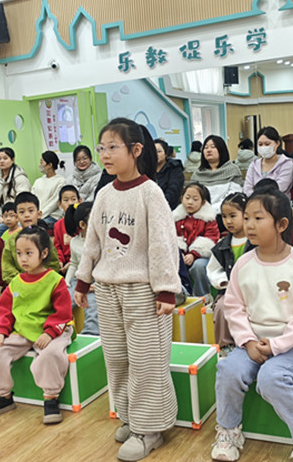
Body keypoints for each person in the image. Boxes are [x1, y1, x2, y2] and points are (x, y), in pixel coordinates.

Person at [73, 118, 182, 461]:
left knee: (147, 361)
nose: (104, 154)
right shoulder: (104, 194)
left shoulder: (151, 193)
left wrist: (166, 290)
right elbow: (93, 242)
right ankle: (131, 418)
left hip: (143, 292)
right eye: (101, 147)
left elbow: (164, 245)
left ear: (136, 150)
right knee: (117, 359)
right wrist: (83, 279)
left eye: (112, 147)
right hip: (107, 290)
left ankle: (151, 428)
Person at [212, 189, 293, 462]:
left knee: (271, 378)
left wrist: (277, 345)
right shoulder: (244, 263)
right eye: (247, 218)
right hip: (252, 342)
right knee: (228, 368)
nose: (249, 225)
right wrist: (248, 342)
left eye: (258, 218)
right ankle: (229, 430)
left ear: (281, 224)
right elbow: (234, 307)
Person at [0, 227, 74, 424]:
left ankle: (51, 398)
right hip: (23, 329)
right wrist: (2, 332)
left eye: (29, 253)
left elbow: (63, 313)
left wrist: (50, 332)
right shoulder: (15, 283)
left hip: (55, 329)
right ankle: (3, 397)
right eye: (19, 253)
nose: (23, 259)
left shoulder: (56, 281)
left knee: (50, 355)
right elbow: (6, 311)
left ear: (44, 253)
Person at [205, 192, 249, 351]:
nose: (228, 221)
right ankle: (225, 345)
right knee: (223, 306)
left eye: (233, 215)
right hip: (230, 291)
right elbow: (213, 270)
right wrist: (224, 281)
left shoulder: (256, 241)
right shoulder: (222, 245)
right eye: (224, 216)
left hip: (254, 290)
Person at [1, 192, 61, 285]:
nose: (26, 215)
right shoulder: (12, 239)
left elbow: (53, 263)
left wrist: (41, 280)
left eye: (31, 211)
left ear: (39, 214)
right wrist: (22, 281)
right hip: (19, 285)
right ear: (16, 217)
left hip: (43, 285)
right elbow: (7, 267)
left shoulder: (44, 237)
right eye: (22, 212)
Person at [174, 183, 219, 300]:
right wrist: (180, 253)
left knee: (198, 267)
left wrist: (194, 254)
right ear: (181, 198)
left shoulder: (209, 218)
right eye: (187, 198)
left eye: (195, 199)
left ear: (203, 202)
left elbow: (211, 238)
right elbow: (172, 237)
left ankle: (202, 296)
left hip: (201, 256)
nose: (190, 202)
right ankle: (181, 293)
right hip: (180, 255)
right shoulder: (175, 217)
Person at [64, 201, 98, 336]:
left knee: (91, 304)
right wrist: (66, 283)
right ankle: (57, 330)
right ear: (82, 225)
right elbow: (73, 264)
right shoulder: (74, 242)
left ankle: (91, 333)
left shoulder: (102, 241)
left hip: (97, 281)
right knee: (65, 300)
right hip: (79, 280)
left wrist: (96, 286)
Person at [191, 135, 244, 210]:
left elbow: (234, 196)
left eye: (213, 147)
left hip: (225, 212)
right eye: (206, 148)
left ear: (221, 150)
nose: (209, 150)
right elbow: (192, 195)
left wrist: (211, 210)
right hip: (200, 213)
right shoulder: (198, 173)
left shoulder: (233, 170)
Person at [0, 147, 31, 234]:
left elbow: (23, 202)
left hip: (14, 217)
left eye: (5, 158)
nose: (1, 161)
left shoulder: (20, 178)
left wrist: (4, 218)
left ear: (12, 160)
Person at [242, 126, 293, 196]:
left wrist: (257, 195)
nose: (263, 147)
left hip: (278, 204)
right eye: (260, 144)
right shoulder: (254, 164)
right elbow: (247, 188)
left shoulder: (286, 163)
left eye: (267, 144)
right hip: (255, 203)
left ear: (277, 144)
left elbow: (280, 187)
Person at [32, 151, 67, 226]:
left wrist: (40, 216)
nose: (40, 165)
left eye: (42, 162)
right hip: (37, 215)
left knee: (33, 227)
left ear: (50, 165)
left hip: (52, 217)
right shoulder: (38, 181)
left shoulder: (61, 181)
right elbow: (32, 199)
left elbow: (54, 203)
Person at [53, 185, 80, 274]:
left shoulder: (83, 223)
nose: (70, 203)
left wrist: (70, 264)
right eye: (66, 200)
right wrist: (60, 261)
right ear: (59, 204)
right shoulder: (58, 225)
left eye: (73, 199)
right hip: (64, 264)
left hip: (80, 262)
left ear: (79, 201)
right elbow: (58, 247)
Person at [155, 139, 184, 210]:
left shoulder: (175, 168)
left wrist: (159, 204)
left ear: (165, 153)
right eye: (153, 151)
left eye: (159, 151)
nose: (156, 154)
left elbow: (173, 190)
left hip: (170, 208)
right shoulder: (148, 169)